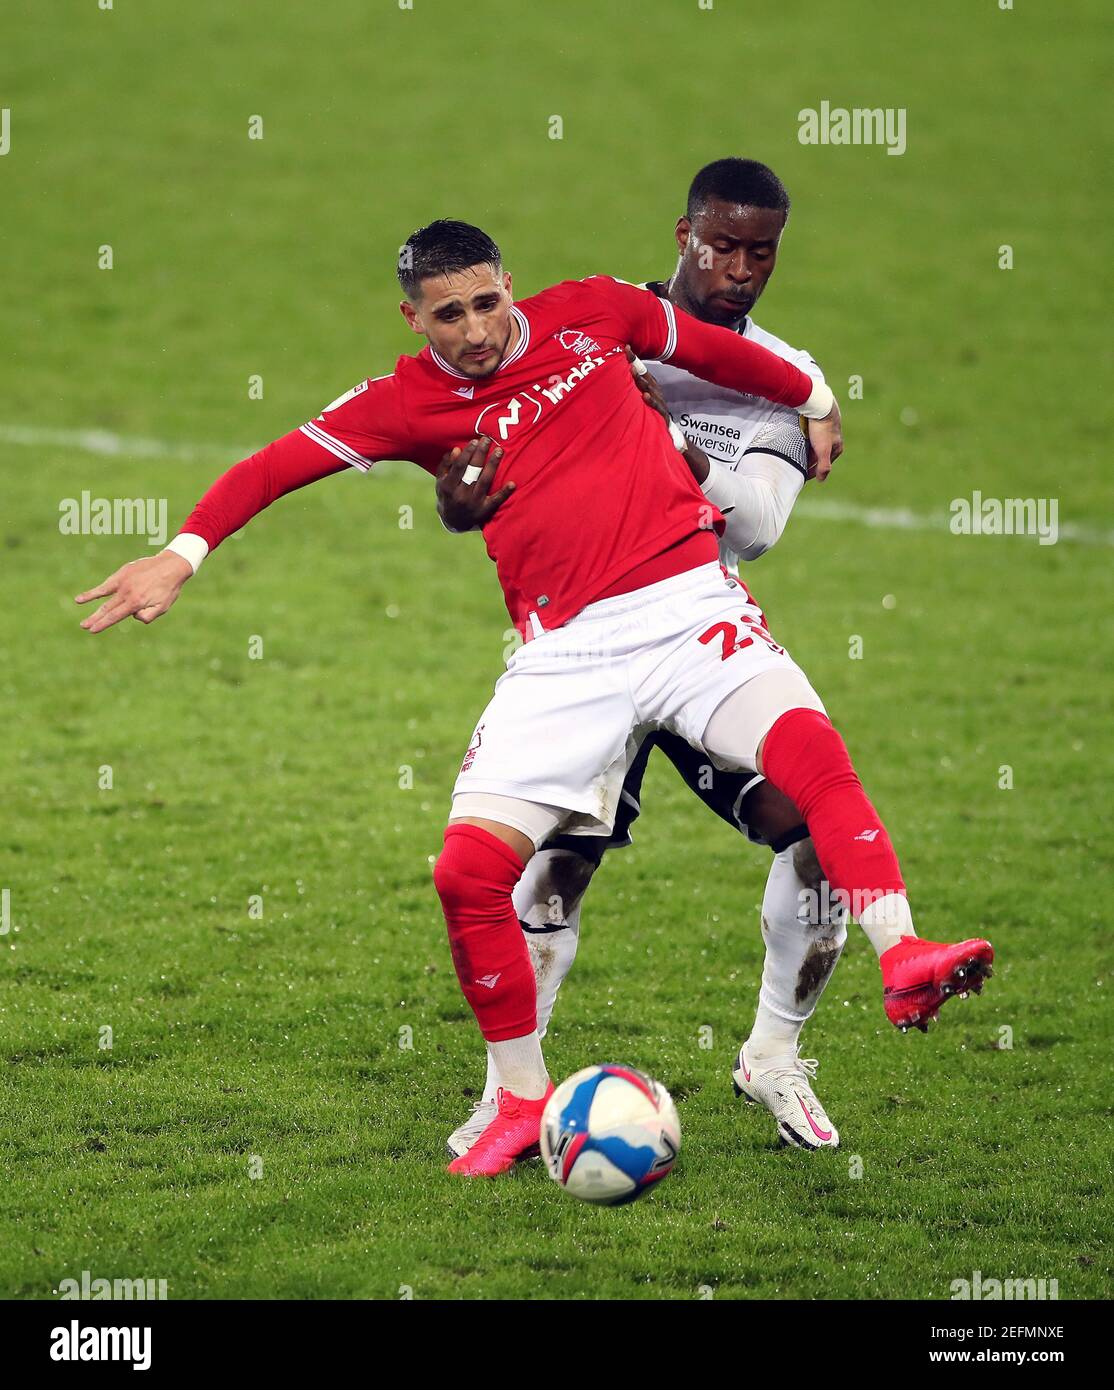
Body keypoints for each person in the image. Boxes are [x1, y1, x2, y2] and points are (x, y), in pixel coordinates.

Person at [75, 219, 991, 1181]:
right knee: (468, 874)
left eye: (486, 303)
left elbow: (717, 351)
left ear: (510, 285)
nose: (475, 331)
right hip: (563, 657)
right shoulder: (404, 403)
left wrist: (815, 397)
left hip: (688, 609)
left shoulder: (594, 312)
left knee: (811, 753)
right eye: (448, 316)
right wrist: (181, 557)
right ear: (413, 317)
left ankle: (903, 956)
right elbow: (271, 467)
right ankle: (517, 1096)